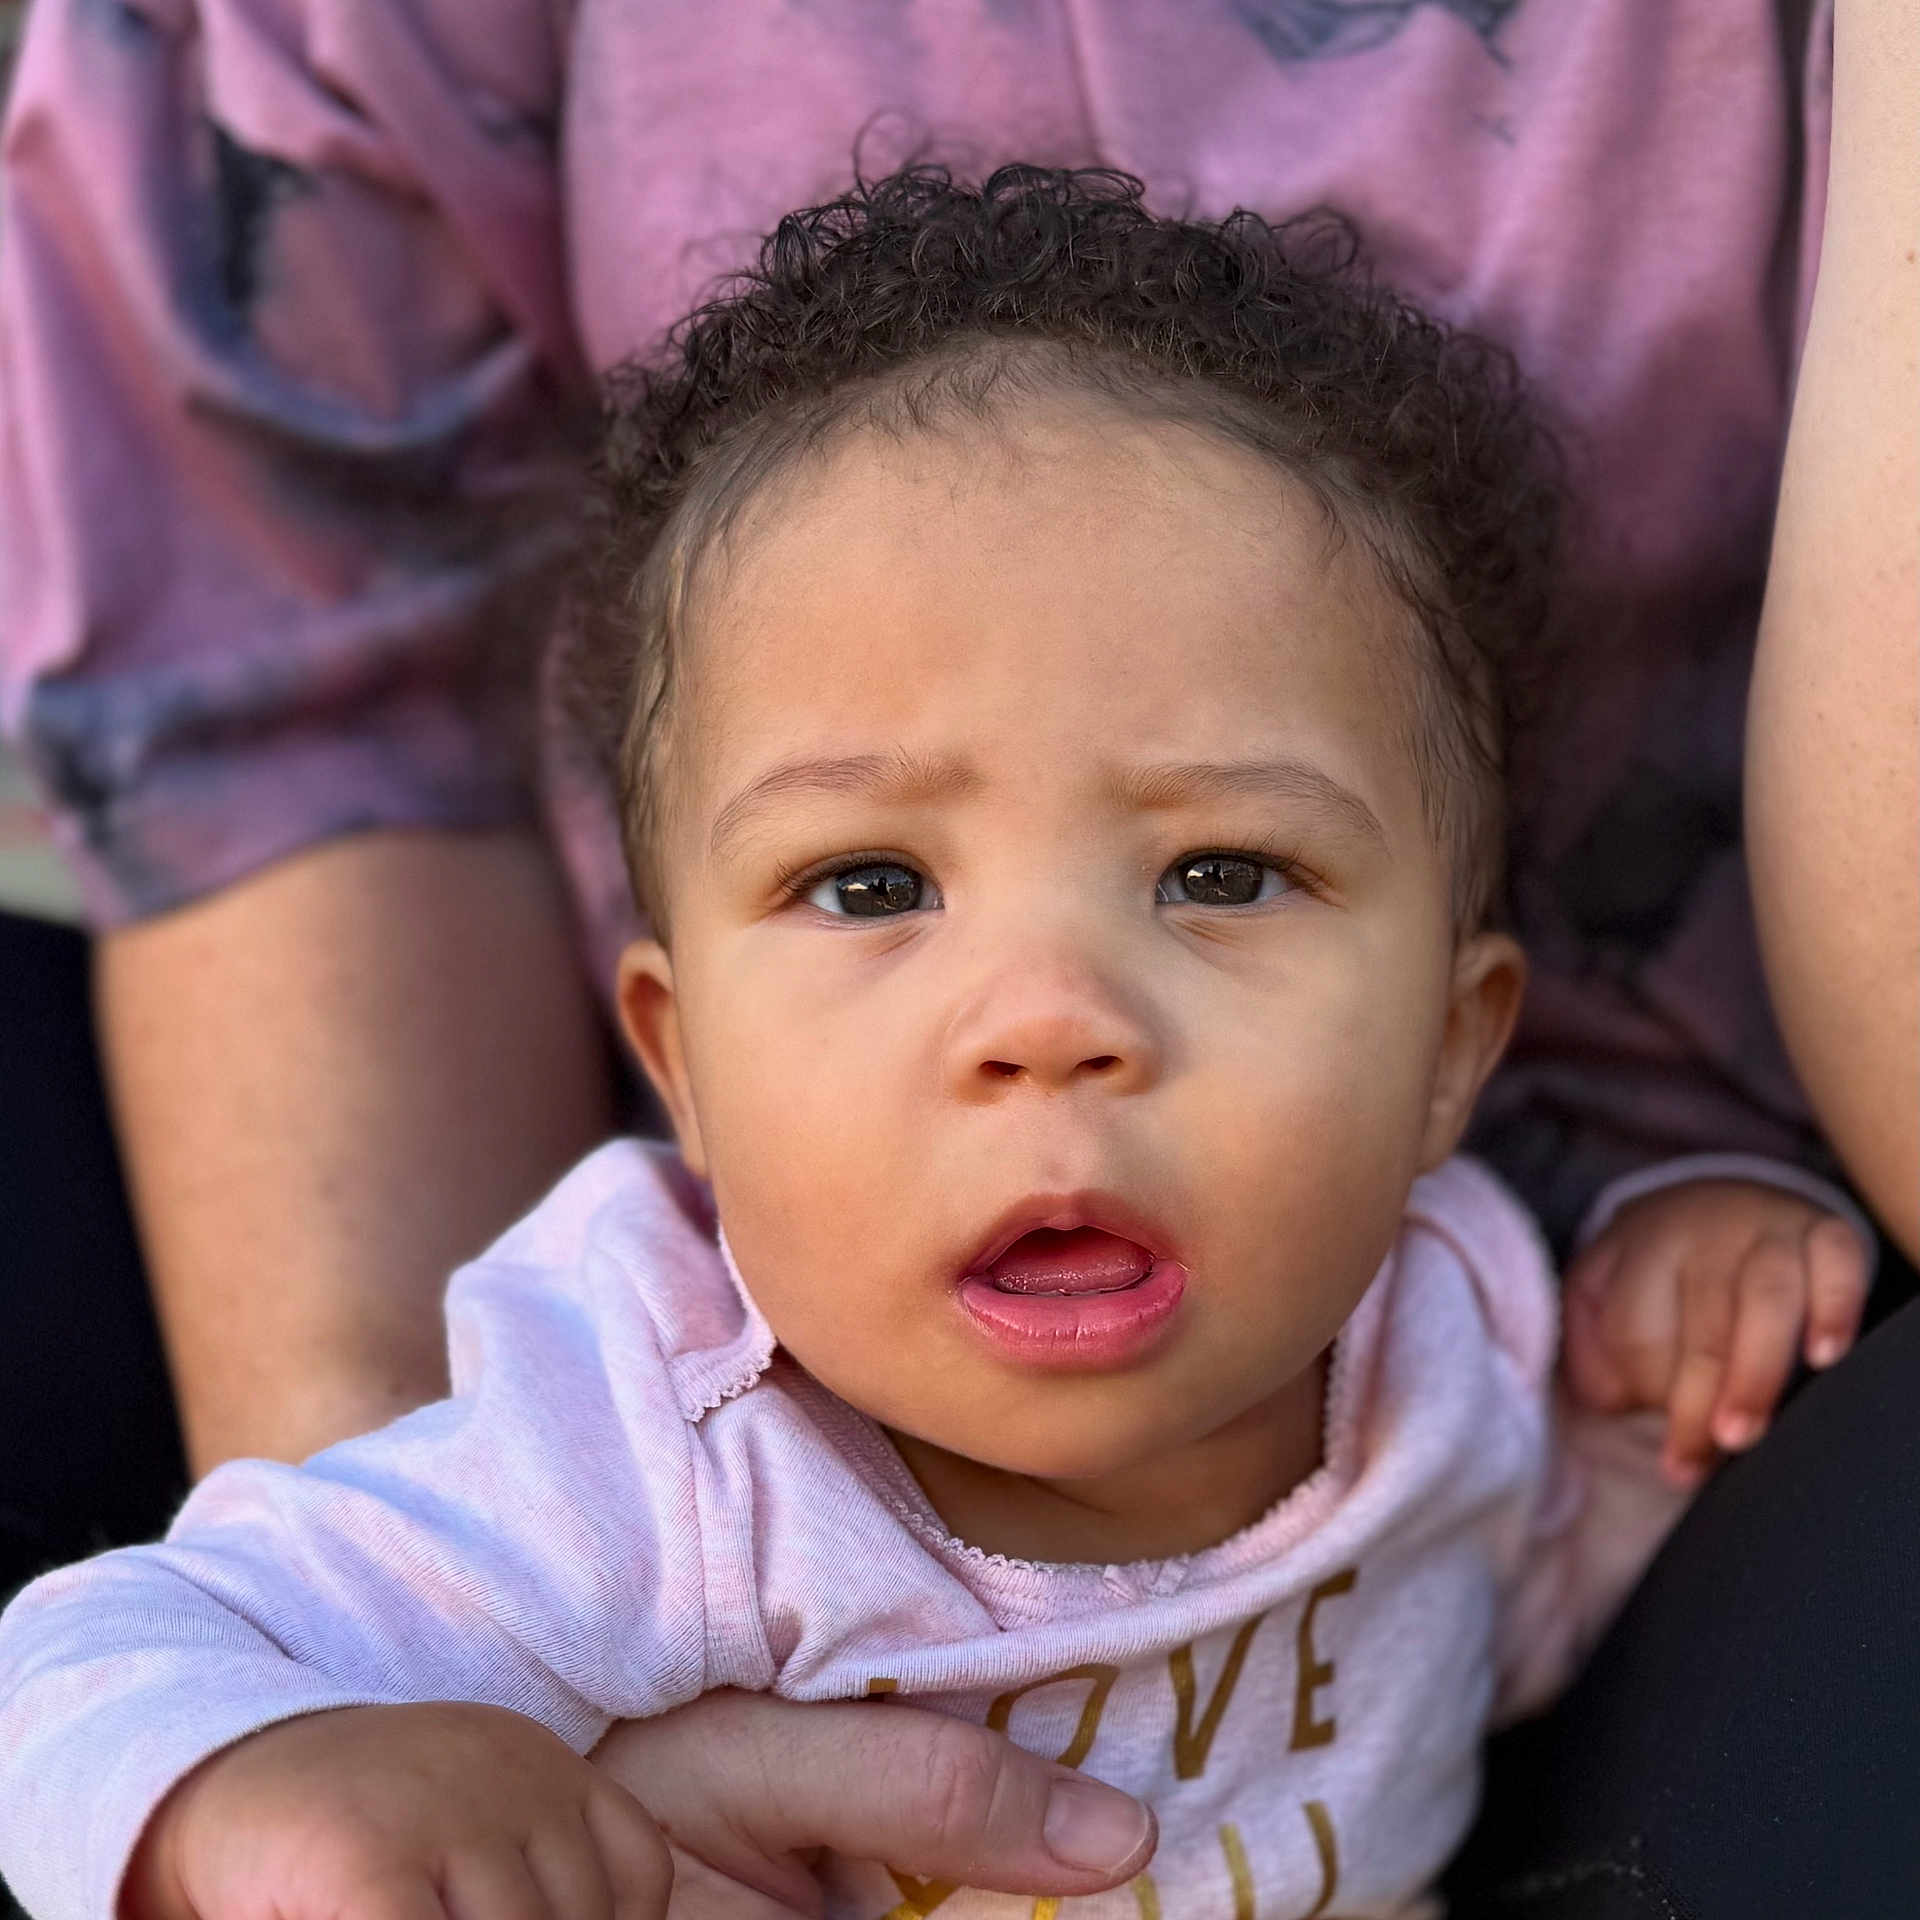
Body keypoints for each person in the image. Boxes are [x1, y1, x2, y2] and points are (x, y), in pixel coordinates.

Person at [0, 1, 1912, 1914]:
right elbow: (78, 1668)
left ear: (1452, 1051)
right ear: (679, 1056)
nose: (1051, 1023)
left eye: (1223, 873)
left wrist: (1697, 1267)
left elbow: (1589, 1557)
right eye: (868, 888)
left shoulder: (1446, 1332)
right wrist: (261, 1786)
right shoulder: (644, 1460)